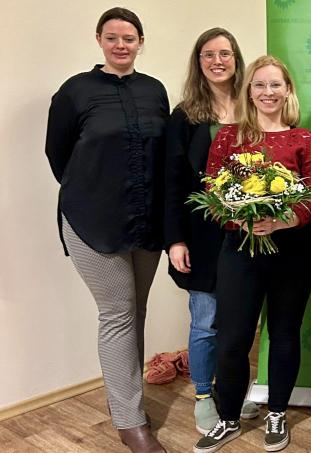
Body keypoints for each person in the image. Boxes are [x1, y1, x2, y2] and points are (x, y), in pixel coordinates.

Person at [45, 8, 168, 453]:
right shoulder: (75, 92)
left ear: (140, 42)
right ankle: (130, 422)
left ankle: (128, 402)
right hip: (92, 220)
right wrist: (94, 189)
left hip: (146, 220)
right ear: (99, 39)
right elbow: (58, 156)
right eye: (113, 37)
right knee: (117, 314)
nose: (121, 45)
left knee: (136, 312)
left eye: (129, 38)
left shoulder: (154, 90)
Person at [192, 55, 311, 453]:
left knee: (284, 333)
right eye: (260, 85)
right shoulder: (227, 138)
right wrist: (241, 219)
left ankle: (277, 413)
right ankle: (229, 418)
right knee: (232, 338)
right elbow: (213, 194)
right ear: (249, 91)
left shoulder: (304, 139)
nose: (268, 93)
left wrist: (284, 221)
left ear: (288, 91)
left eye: (275, 85)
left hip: (294, 252)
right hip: (240, 249)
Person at [164, 27, 260, 434]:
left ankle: (231, 392)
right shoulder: (185, 116)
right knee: (206, 320)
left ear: (236, 60)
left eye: (224, 54)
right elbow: (171, 181)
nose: (217, 61)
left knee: (240, 321)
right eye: (208, 55)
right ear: (198, 62)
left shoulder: (254, 108)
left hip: (248, 233)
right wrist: (174, 239)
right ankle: (204, 395)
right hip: (202, 235)